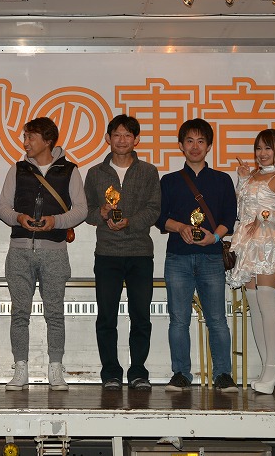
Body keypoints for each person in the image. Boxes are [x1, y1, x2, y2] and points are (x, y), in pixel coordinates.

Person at [0, 117, 88, 391]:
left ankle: (56, 369)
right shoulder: (18, 169)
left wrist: (55, 221)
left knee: (55, 314)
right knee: (19, 313)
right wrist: (19, 218)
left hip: (55, 252)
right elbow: (3, 208)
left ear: (48, 140)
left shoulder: (69, 170)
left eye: (31, 137)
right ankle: (20, 368)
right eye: (25, 137)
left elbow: (81, 210)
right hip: (19, 251)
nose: (25, 142)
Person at [156, 118, 238, 392]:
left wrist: (214, 237)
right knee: (178, 320)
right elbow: (159, 218)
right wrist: (180, 228)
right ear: (181, 145)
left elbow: (229, 217)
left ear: (209, 146)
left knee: (217, 319)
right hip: (178, 257)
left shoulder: (222, 180)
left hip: (211, 257)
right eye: (189, 141)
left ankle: (223, 375)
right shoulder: (169, 181)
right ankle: (181, 373)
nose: (195, 146)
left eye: (201, 141)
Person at [84, 114, 161, 391]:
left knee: (141, 316)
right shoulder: (95, 173)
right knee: (106, 317)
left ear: (136, 139)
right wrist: (102, 213)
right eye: (116, 134)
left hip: (140, 253)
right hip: (107, 253)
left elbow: (154, 209)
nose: (122, 140)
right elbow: (87, 211)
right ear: (108, 138)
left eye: (128, 135)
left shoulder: (148, 171)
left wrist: (129, 222)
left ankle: (138, 371)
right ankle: (111, 373)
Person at [227, 129, 275, 394]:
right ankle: (268, 367)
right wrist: (242, 180)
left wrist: (266, 215)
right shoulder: (250, 176)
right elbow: (240, 211)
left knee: (267, 303)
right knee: (255, 307)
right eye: (258, 148)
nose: (262, 153)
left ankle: (272, 367)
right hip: (248, 243)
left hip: (269, 242)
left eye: (268, 148)